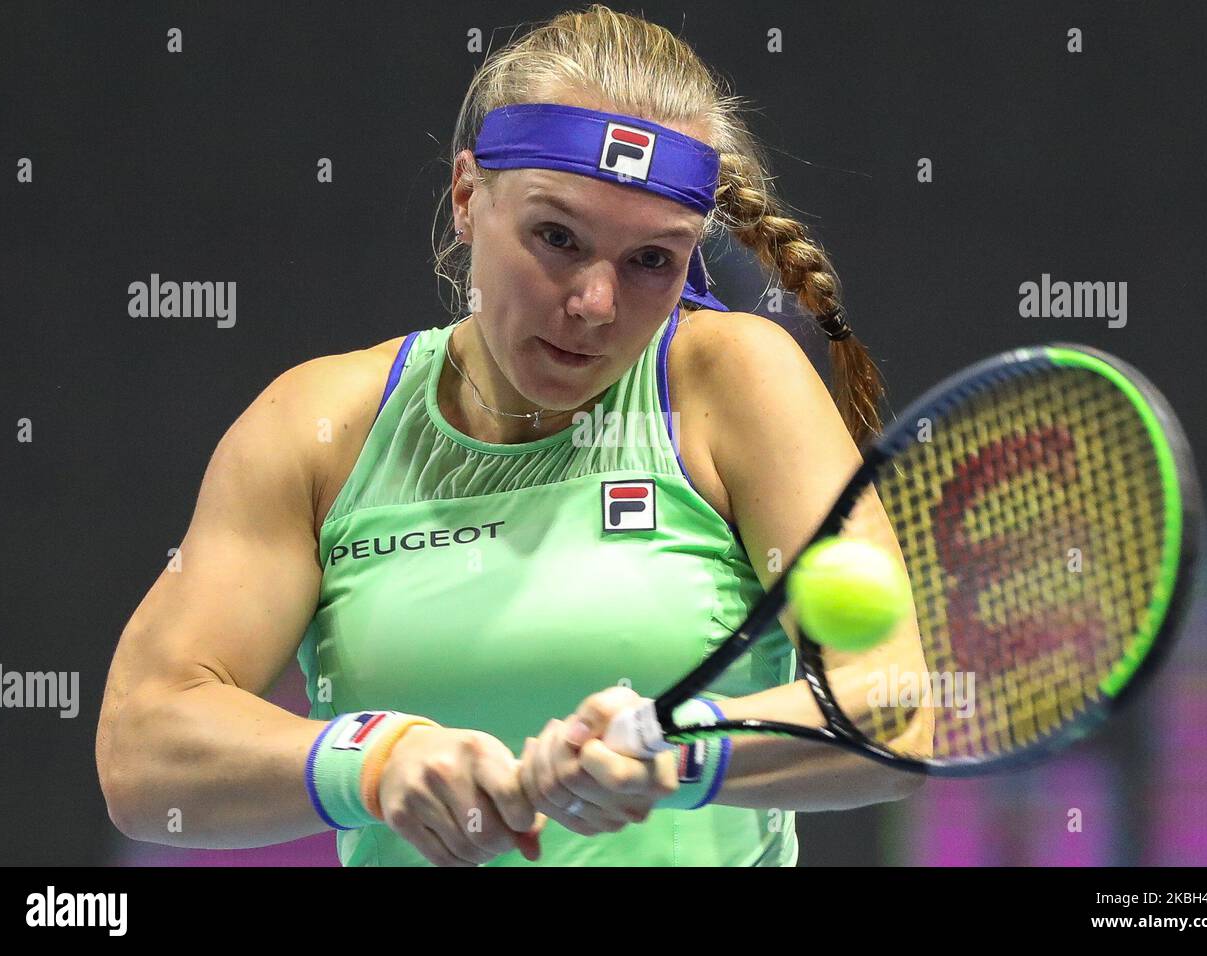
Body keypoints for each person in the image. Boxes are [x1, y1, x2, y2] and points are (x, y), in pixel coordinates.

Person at [96, 4, 927, 867]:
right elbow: (143, 745)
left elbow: (897, 708)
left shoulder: (734, 382)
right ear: (466, 197)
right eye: (557, 237)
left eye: (652, 260)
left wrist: (682, 749)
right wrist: (374, 760)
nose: (596, 305)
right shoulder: (320, 427)